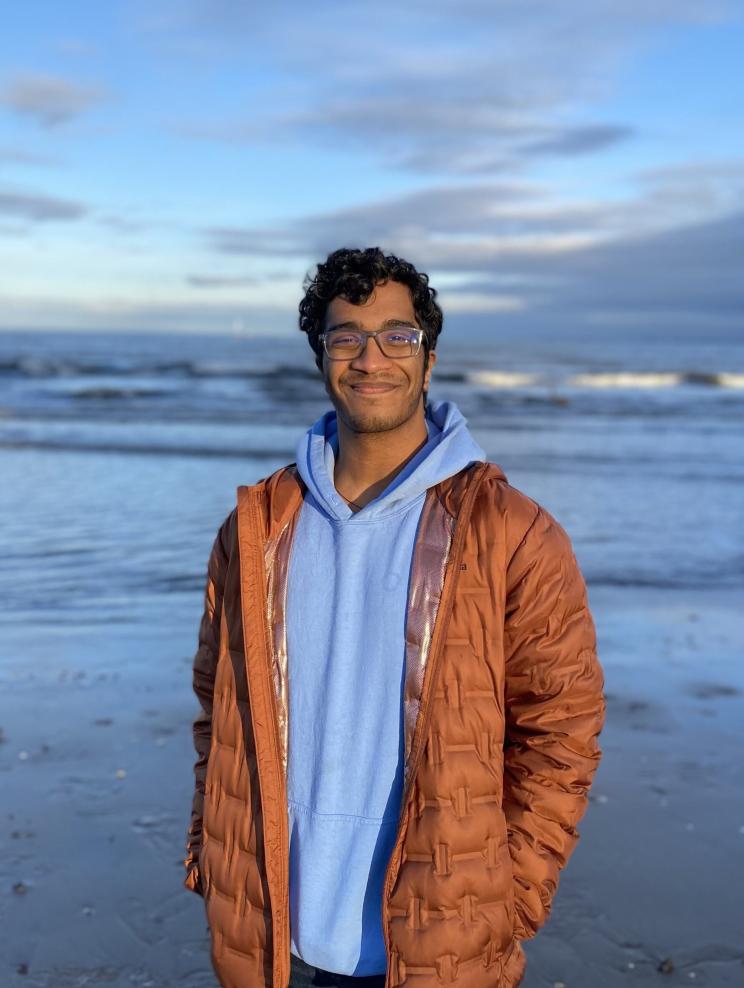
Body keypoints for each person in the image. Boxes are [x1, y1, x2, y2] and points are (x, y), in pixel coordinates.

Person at [182, 247, 606, 988]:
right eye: (346, 336)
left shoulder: (511, 532)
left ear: (429, 358)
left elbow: (561, 731)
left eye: (396, 336)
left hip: (441, 940)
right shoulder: (256, 530)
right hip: (278, 937)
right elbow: (215, 709)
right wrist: (211, 854)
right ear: (321, 357)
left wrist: (510, 897)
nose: (370, 357)